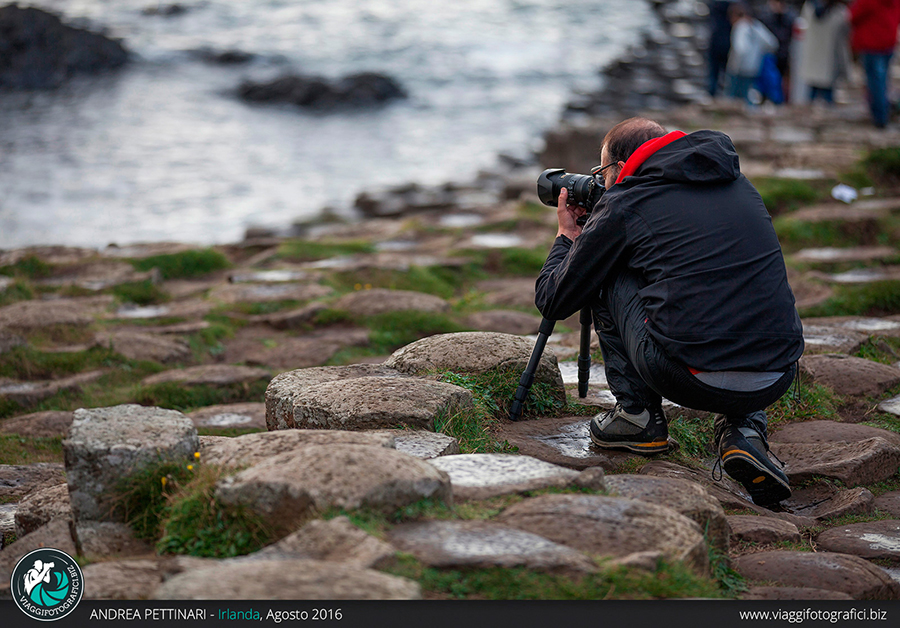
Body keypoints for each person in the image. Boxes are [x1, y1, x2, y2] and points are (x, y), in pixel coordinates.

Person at [535, 118, 804, 506]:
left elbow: (554, 300)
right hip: (777, 373)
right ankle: (744, 430)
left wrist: (569, 238)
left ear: (618, 168)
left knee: (607, 273)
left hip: (689, 376)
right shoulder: (738, 184)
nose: (601, 184)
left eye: (601, 173)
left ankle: (638, 417)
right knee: (735, 289)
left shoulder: (626, 201)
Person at [849, 0, 900, 128]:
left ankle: (879, 116)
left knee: (874, 81)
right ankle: (883, 112)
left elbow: (853, 16)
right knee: (882, 79)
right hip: (888, 41)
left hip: (871, 42)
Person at [799, 0, 851, 104]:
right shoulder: (840, 12)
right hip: (829, 62)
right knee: (828, 101)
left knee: (810, 99)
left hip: (812, 60)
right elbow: (846, 33)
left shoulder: (808, 7)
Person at [726, 4, 779, 103]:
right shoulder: (756, 26)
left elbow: (740, 49)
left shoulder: (740, 27)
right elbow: (772, 43)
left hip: (739, 69)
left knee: (733, 96)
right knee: (749, 94)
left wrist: (735, 66)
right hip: (754, 67)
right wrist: (758, 53)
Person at [760, 0, 799, 100]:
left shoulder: (790, 17)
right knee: (768, 81)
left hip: (784, 54)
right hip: (770, 55)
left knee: (781, 82)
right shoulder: (766, 16)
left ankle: (780, 101)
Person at [708, 1, 738, 96]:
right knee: (728, 75)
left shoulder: (716, 6)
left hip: (716, 44)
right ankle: (727, 97)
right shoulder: (732, 7)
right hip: (728, 45)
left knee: (714, 74)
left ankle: (713, 95)